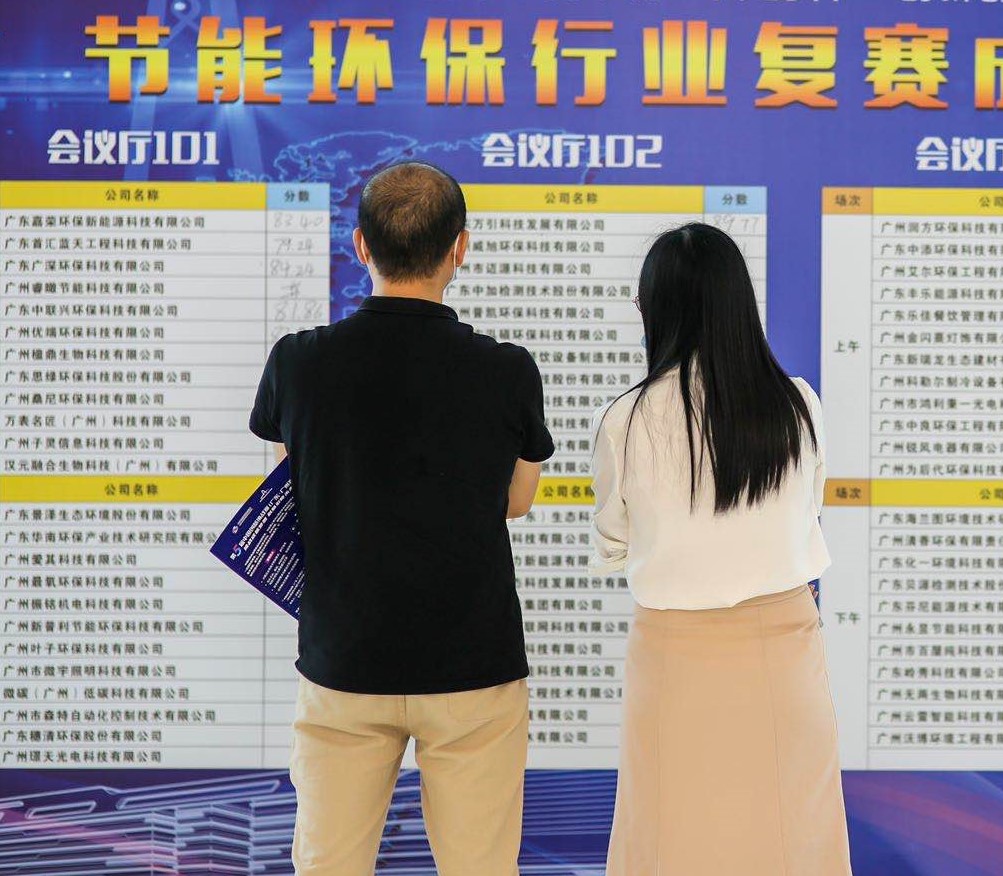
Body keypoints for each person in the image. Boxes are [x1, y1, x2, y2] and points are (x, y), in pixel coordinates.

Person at [248, 161, 553, 876]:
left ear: (360, 246)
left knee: (328, 864)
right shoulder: (507, 370)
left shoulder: (298, 363)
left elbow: (295, 484)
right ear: (460, 248)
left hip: (344, 660)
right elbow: (516, 501)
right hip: (473, 665)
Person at [588, 223, 852, 875]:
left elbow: (614, 542)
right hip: (783, 649)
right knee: (791, 841)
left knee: (668, 840)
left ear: (658, 309)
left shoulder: (626, 419)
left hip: (672, 654)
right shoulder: (797, 405)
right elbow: (805, 516)